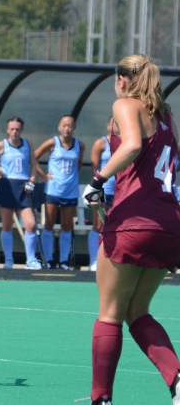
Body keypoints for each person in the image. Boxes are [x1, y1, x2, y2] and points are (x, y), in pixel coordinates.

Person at [83, 55, 180, 405]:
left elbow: (133, 144)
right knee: (137, 311)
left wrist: (96, 181)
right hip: (168, 225)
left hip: (133, 223)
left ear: (122, 79)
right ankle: (178, 380)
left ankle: (101, 399)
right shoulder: (166, 117)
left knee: (109, 314)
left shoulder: (125, 104)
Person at [0, 116, 43, 269]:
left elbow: (33, 164)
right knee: (7, 225)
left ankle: (30, 260)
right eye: (12, 129)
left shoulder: (27, 144)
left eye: (17, 129)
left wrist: (31, 180)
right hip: (7, 185)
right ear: (7, 130)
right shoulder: (2, 145)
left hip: (24, 186)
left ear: (21, 130)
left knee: (30, 224)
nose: (14, 132)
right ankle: (8, 260)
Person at [34, 115, 84, 270]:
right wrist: (43, 175)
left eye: (70, 126)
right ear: (59, 127)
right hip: (53, 190)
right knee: (49, 223)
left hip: (70, 191)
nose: (67, 129)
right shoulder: (52, 143)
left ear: (74, 127)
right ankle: (48, 259)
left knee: (66, 225)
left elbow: (79, 164)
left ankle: (63, 260)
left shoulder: (79, 145)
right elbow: (33, 157)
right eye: (64, 125)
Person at [87, 116, 116, 272]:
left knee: (115, 226)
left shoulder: (126, 143)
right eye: (113, 122)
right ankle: (94, 261)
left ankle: (112, 261)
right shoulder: (101, 143)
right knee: (98, 226)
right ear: (108, 125)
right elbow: (95, 169)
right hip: (104, 190)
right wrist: (96, 189)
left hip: (120, 191)